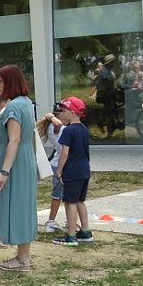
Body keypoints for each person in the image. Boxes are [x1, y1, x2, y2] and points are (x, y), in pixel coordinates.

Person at [0, 65, 38, 271]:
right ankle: (23, 255)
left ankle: (23, 259)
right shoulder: (26, 102)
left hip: (15, 163)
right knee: (23, 205)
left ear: (10, 82)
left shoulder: (13, 107)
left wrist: (4, 171)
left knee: (18, 205)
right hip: (24, 160)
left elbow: (14, 140)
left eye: (0, 81)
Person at [50, 97, 93, 246]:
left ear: (72, 112)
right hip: (84, 169)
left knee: (70, 202)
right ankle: (85, 231)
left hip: (72, 170)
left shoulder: (68, 130)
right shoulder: (84, 129)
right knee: (80, 200)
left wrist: (59, 171)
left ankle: (71, 235)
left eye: (64, 111)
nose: (61, 114)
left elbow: (64, 153)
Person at [37, 105, 66, 233]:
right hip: (59, 164)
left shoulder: (57, 128)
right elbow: (58, 123)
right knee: (57, 195)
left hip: (60, 163)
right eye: (64, 112)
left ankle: (70, 220)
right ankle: (51, 222)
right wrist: (50, 116)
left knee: (66, 195)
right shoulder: (55, 128)